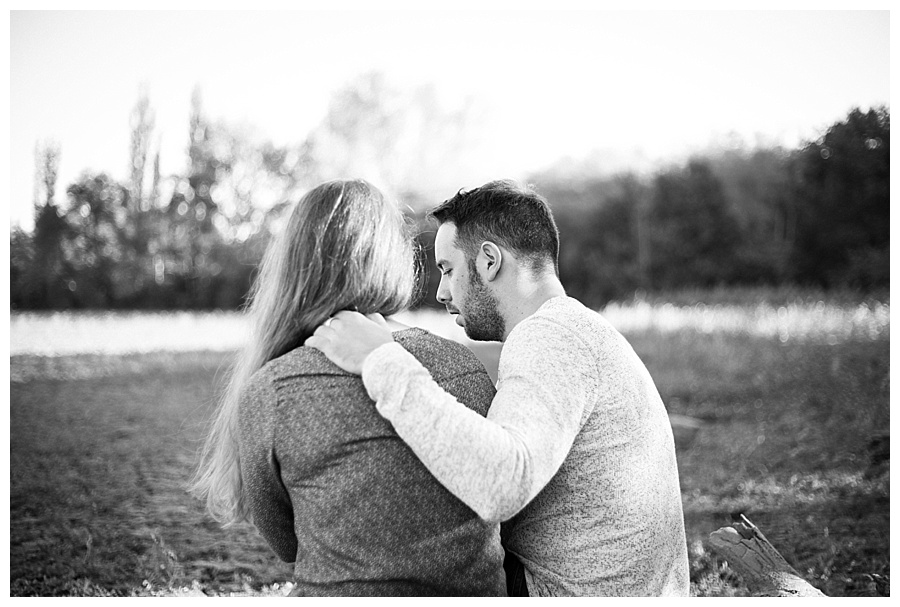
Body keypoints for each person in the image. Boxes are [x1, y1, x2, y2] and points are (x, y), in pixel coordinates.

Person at [306, 179, 691, 597]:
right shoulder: (578, 330)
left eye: (447, 270)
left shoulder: (549, 338)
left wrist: (381, 362)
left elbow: (500, 484)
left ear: (489, 260)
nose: (440, 292)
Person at [190, 179, 506, 597]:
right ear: (393, 258)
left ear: (294, 264)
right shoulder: (462, 366)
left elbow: (287, 543)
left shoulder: (275, 390)